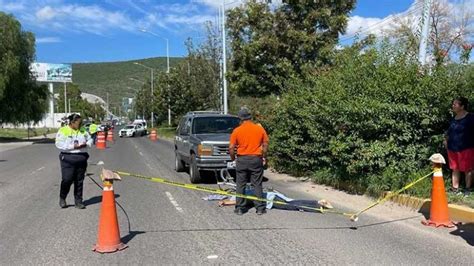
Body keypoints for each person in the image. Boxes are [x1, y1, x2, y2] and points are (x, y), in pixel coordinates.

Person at [229, 107, 269, 215]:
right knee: (257, 183)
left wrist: (233, 158)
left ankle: (240, 208)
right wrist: (264, 156)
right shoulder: (259, 129)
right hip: (256, 159)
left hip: (242, 159)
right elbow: (265, 145)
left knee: (240, 184)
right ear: (250, 117)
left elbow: (231, 148)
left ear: (240, 119)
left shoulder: (237, 130)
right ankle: (260, 208)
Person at [55, 113, 93, 209]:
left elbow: (90, 139)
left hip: (81, 158)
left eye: (81, 122)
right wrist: (73, 146)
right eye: (78, 123)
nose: (80, 124)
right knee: (67, 179)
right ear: (72, 122)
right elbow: (59, 144)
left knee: (79, 181)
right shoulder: (63, 130)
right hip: (68, 158)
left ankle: (78, 201)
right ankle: (62, 198)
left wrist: (86, 144)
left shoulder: (83, 130)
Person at [444, 97, 474, 195]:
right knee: (455, 168)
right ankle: (455, 189)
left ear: (462, 106)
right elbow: (449, 132)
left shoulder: (470, 118)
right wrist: (446, 140)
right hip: (452, 148)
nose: (453, 106)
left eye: (455, 104)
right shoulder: (454, 118)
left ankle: (467, 189)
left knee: (468, 169)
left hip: (466, 148)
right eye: (453, 104)